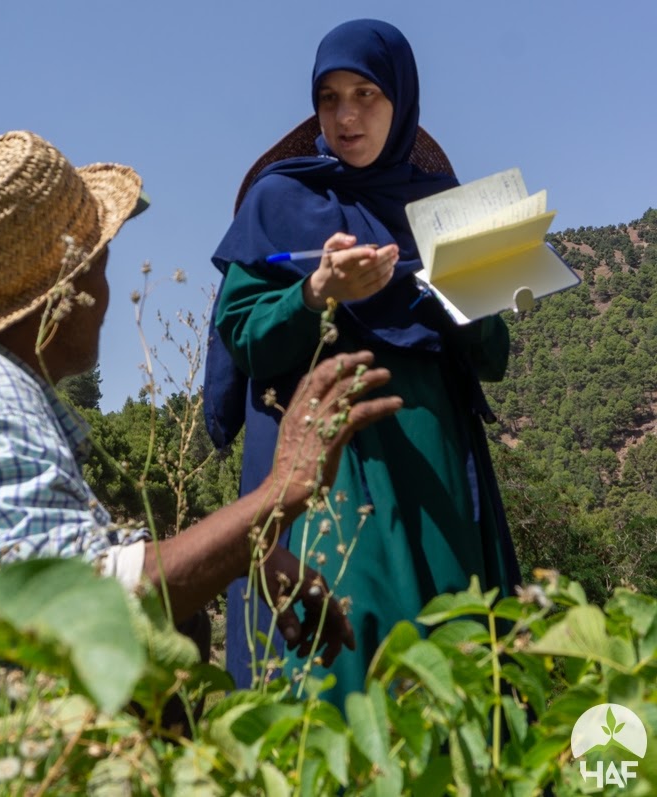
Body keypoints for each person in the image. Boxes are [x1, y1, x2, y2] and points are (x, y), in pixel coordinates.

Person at [0, 129, 402, 688]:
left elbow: (25, 559)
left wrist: (248, 551)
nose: (106, 289)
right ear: (63, 291)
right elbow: (78, 600)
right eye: (100, 265)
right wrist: (280, 492)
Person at [205, 19, 522, 704]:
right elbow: (243, 334)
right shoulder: (278, 201)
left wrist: (445, 293)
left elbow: (494, 355)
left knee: (455, 653)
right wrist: (318, 291)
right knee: (339, 653)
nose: (346, 116)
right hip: (329, 466)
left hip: (435, 465)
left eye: (367, 94)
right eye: (330, 97)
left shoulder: (448, 210)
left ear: (401, 100)